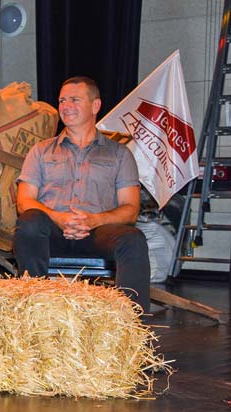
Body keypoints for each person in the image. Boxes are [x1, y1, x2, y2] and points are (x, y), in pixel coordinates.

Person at [13, 76, 150, 311]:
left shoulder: (119, 154)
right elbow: (24, 201)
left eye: (75, 100)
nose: (66, 106)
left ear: (95, 106)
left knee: (133, 239)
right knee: (29, 221)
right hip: (51, 233)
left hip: (97, 234)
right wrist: (59, 217)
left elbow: (130, 209)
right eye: (62, 100)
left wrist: (94, 220)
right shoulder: (41, 151)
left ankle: (131, 323)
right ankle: (34, 306)